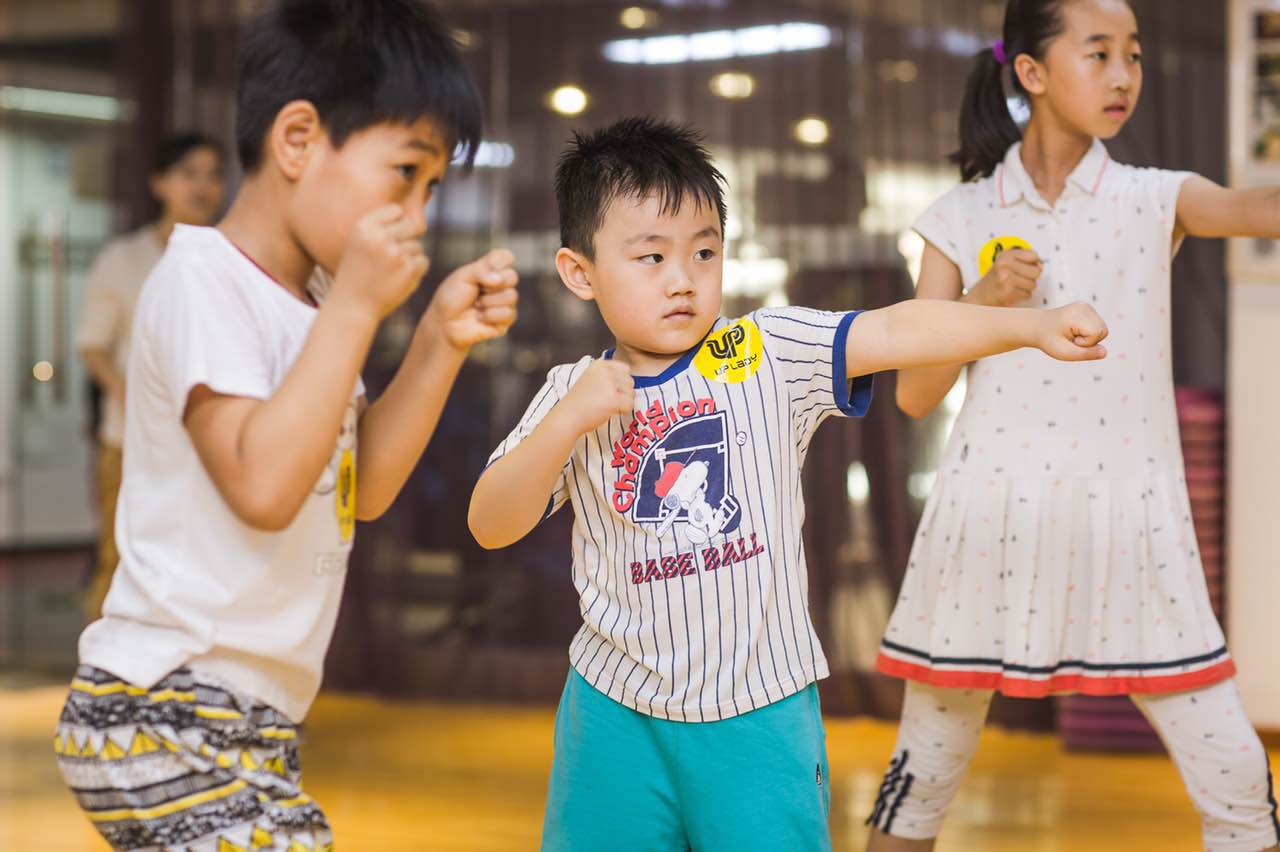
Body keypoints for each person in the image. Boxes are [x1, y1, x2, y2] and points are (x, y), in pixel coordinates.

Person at [468, 116, 1108, 852]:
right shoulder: (571, 391)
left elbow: (897, 332)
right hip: (613, 716)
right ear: (581, 273)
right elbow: (491, 522)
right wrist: (565, 423)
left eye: (703, 252)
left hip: (759, 716)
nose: (683, 278)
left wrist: (1031, 327)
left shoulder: (765, 353)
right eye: (650, 257)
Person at [52, 1, 519, 849]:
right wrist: (354, 311)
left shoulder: (309, 306)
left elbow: (362, 488)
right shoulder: (202, 281)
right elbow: (262, 486)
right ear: (298, 140)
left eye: (432, 188)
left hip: (254, 722)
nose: (416, 216)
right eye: (403, 173)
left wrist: (438, 342)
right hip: (164, 707)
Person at [867, 1, 1280, 849]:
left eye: (1133, 54)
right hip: (988, 524)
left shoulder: (1153, 197)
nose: (1125, 73)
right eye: (1099, 53)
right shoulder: (959, 216)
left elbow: (1255, 209)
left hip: (1135, 524)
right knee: (921, 782)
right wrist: (980, 305)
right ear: (1031, 71)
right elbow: (913, 394)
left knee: (1238, 781)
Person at [76, 131, 226, 620]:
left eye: (213, 175)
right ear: (160, 182)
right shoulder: (124, 259)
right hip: (131, 441)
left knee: (208, 563)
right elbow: (93, 345)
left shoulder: (232, 257)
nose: (202, 187)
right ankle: (98, 682)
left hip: (213, 442)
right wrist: (129, 396)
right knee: (118, 558)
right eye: (189, 174)